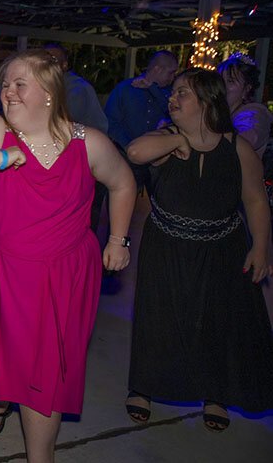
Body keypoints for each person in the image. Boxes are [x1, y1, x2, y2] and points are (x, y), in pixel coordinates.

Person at [0, 49, 136, 463]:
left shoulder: (88, 142)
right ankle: (4, 399)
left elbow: (124, 183)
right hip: (11, 273)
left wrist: (118, 240)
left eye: (18, 83)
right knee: (15, 355)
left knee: (47, 372)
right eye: (4, 83)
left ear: (49, 92)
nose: (7, 91)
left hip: (68, 273)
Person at [125, 68, 273, 433]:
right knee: (158, 318)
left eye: (183, 93)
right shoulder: (165, 140)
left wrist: (261, 248)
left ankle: (215, 393)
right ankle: (144, 387)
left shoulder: (237, 148)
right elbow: (135, 151)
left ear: (207, 101)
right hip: (166, 245)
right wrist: (176, 142)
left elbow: (255, 201)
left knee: (214, 321)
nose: (173, 99)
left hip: (221, 247)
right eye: (172, 92)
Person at [44, 43, 109, 231]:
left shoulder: (76, 88)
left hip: (91, 158)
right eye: (45, 59)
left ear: (64, 66)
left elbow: (60, 122)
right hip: (74, 155)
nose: (47, 63)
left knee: (86, 213)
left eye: (53, 60)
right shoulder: (52, 87)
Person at [105, 50, 178, 192]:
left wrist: (152, 89)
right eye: (171, 72)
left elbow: (172, 114)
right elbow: (111, 122)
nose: (173, 77)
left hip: (157, 163)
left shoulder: (169, 94)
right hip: (124, 159)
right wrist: (130, 148)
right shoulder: (124, 89)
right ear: (157, 69)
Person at [218, 52, 272, 158]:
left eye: (230, 81)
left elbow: (250, 138)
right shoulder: (218, 112)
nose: (223, 86)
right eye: (220, 80)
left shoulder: (253, 113)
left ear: (247, 88)